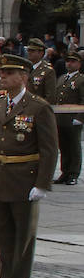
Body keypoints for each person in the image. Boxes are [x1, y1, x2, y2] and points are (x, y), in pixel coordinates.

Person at [0, 53, 58, 278]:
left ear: (23, 76)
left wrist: (42, 184)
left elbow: (50, 149)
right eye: (2, 72)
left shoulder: (38, 107)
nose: (2, 76)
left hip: (24, 178)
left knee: (23, 237)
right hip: (1, 175)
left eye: (9, 73)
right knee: (3, 235)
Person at [54, 51, 82, 186]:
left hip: (73, 117)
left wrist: (80, 117)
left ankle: (73, 173)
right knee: (63, 146)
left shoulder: (81, 79)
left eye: (73, 61)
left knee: (74, 146)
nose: (69, 64)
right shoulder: (62, 78)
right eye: (68, 61)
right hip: (60, 117)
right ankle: (65, 171)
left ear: (79, 64)